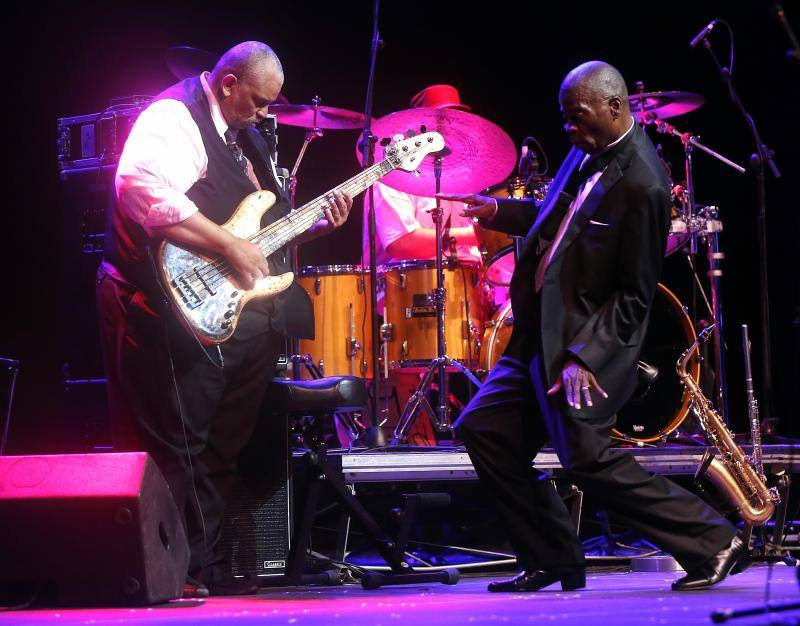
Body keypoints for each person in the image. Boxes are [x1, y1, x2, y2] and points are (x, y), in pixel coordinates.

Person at [438, 61, 743, 592]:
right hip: (538, 333)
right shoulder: (587, 150)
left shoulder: (644, 184)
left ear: (614, 107)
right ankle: (553, 556)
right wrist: (496, 212)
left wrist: (586, 356)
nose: (569, 130)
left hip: (584, 347)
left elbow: (635, 294)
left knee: (588, 461)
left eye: (577, 118)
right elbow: (558, 216)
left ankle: (714, 540)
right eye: (565, 119)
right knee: (483, 430)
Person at [96, 41, 352, 596]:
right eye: (260, 102)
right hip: (161, 303)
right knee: (176, 441)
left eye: (272, 105)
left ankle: (195, 566)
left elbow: (259, 232)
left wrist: (315, 226)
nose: (266, 114)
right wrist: (228, 248)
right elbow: (140, 189)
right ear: (229, 82)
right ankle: (160, 568)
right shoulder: (174, 117)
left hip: (233, 311)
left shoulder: (250, 137)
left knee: (220, 445)